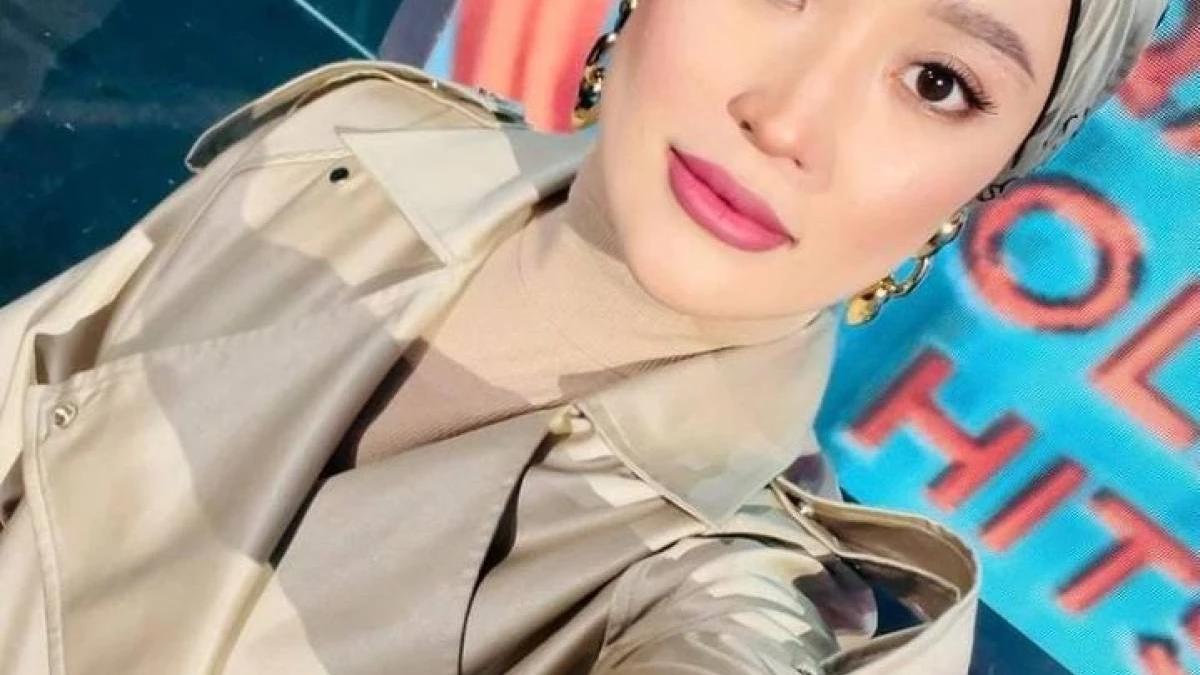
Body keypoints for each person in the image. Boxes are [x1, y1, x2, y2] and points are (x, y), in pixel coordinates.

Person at [0, 1, 1168, 673]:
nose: (787, 118)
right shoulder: (349, 144)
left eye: (937, 82)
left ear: (978, 190)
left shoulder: (723, 604)